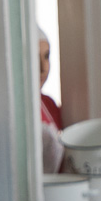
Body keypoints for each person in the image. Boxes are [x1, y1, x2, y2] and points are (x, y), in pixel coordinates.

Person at [38, 25, 65, 175]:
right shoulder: (13, 108)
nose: (43, 68)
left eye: (46, 56)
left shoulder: (49, 104)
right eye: (34, 58)